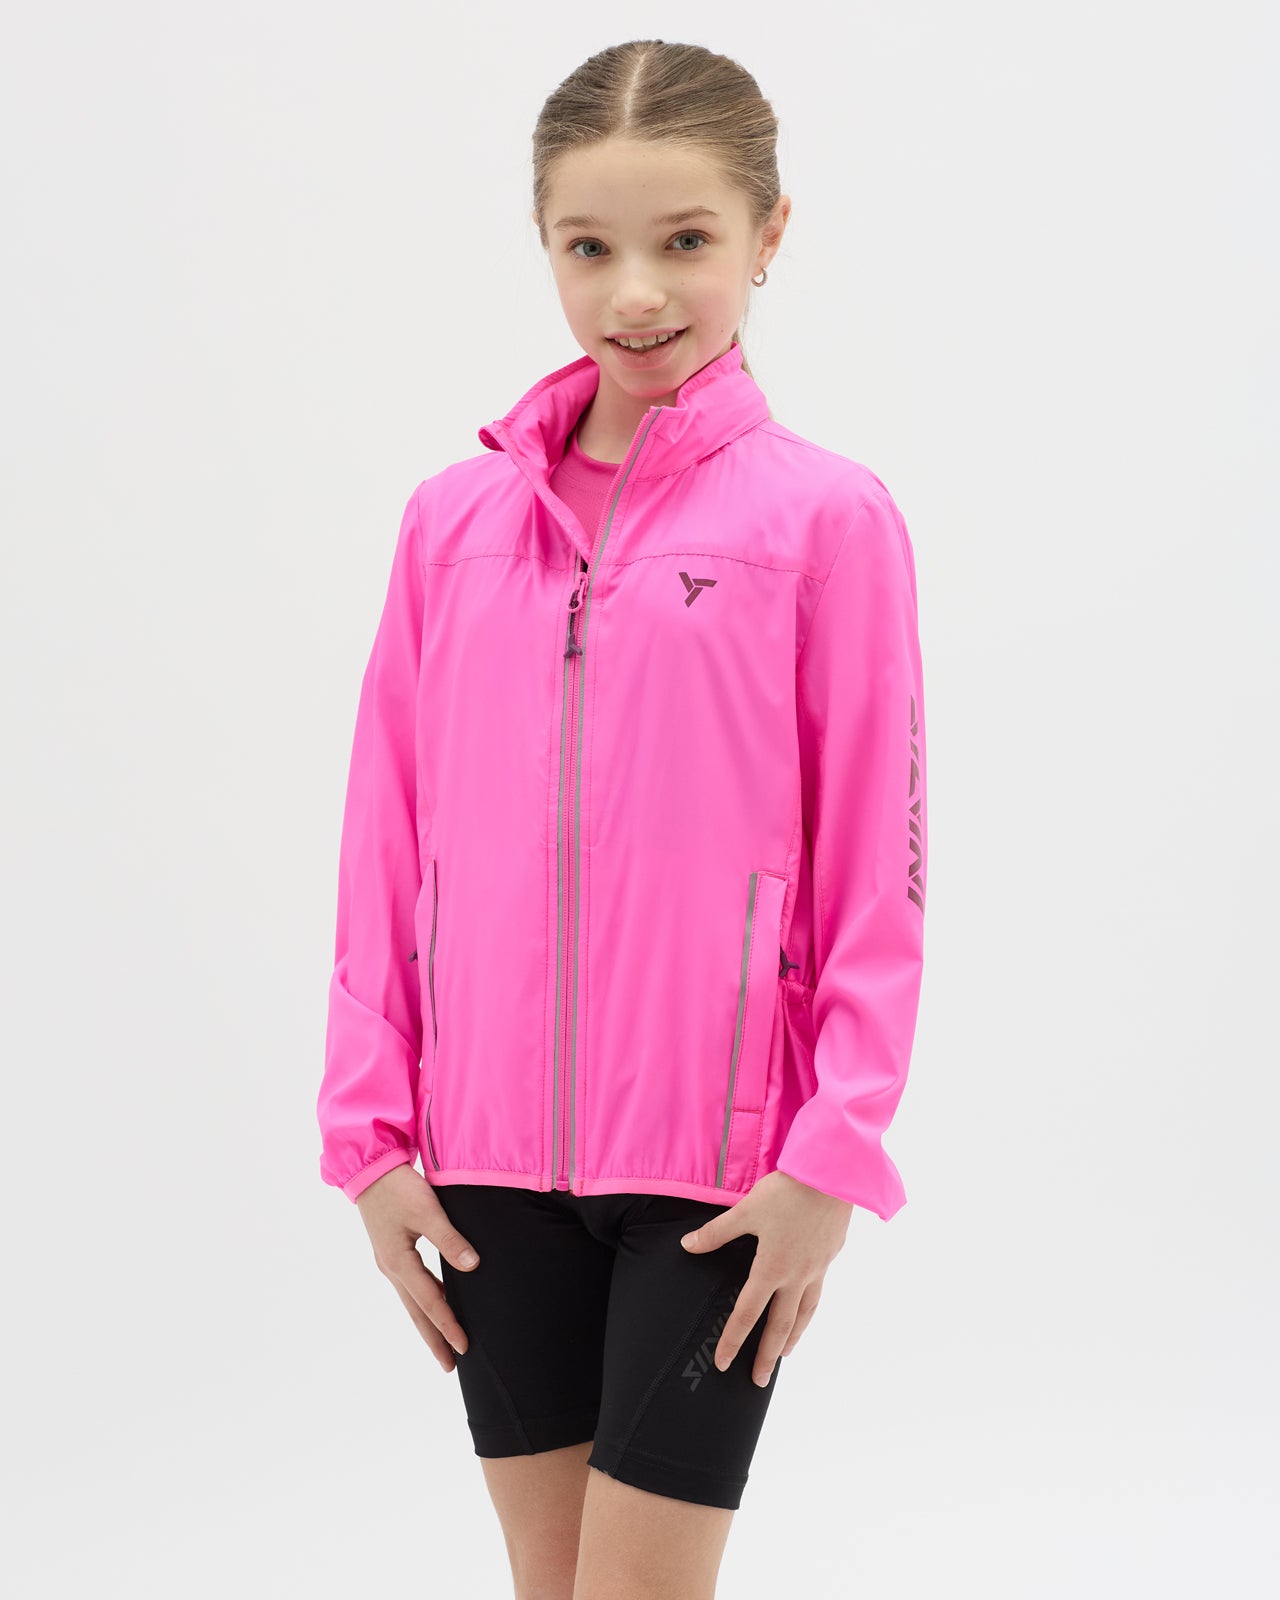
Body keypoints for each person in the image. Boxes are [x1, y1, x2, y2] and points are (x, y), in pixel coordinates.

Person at [316, 37, 929, 1600]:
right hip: (485, 1173)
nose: (636, 293)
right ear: (544, 244)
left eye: (686, 240)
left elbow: (879, 865)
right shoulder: (452, 525)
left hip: (719, 1183)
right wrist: (369, 1144)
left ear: (769, 234)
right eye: (589, 247)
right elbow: (382, 840)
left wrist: (832, 1157)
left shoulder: (825, 521)